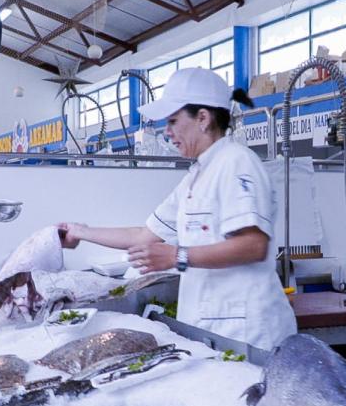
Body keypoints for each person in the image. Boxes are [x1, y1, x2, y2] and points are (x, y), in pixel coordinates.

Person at [60, 67, 297, 351]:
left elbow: (253, 244)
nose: (167, 132)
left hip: (248, 332)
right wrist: (80, 231)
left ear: (203, 118)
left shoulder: (236, 162)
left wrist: (177, 256)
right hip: (213, 329)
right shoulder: (195, 177)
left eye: (173, 121)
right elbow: (142, 235)